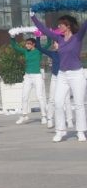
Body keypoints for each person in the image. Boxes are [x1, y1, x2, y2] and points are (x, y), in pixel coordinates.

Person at [32, 12, 87, 142]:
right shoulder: (59, 39)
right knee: (57, 102)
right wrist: (33, 17)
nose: (59, 26)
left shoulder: (77, 37)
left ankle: (80, 131)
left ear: (67, 26)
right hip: (62, 75)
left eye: (61, 24)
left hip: (76, 74)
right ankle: (60, 131)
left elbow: (85, 25)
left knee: (79, 104)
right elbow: (43, 29)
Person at [11, 36, 49, 125]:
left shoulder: (38, 51)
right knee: (24, 96)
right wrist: (12, 37)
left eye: (29, 44)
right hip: (27, 76)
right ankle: (24, 115)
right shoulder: (25, 51)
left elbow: (48, 44)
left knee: (39, 96)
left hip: (37, 76)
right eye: (26, 43)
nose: (27, 45)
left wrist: (47, 35)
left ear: (33, 44)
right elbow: (15, 47)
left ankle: (44, 116)